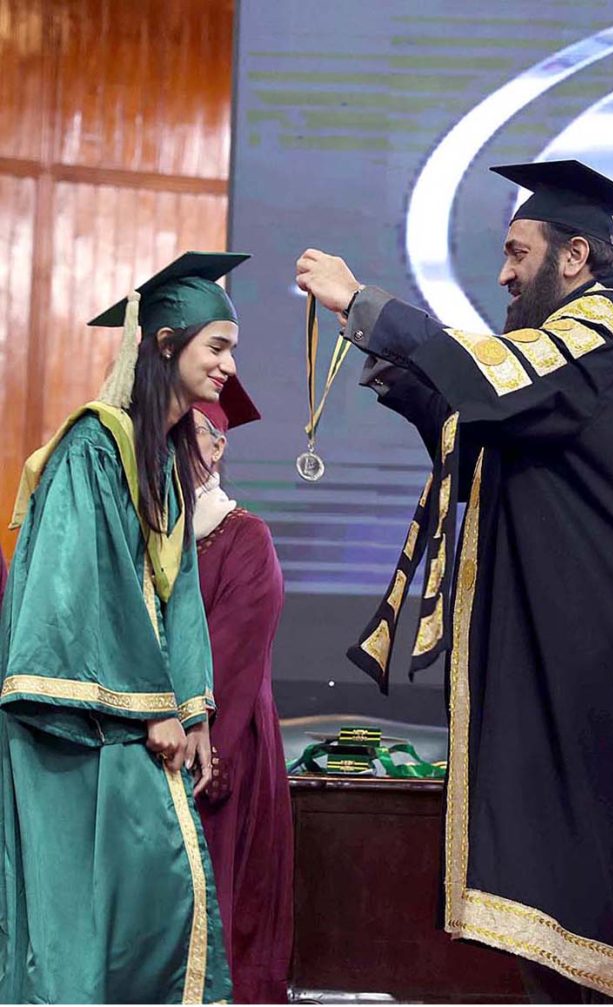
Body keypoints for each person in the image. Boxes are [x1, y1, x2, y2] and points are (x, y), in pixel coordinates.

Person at [295, 160, 613, 1004]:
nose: (506, 273)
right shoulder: (589, 355)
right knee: (552, 908)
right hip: (579, 657)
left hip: (607, 659)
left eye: (518, 253)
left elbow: (492, 383)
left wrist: (363, 303)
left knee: (587, 908)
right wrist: (397, 370)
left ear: (576, 255)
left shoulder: (612, 325)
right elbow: (484, 420)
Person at [0, 251, 249, 1003]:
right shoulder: (90, 448)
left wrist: (194, 708)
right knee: (89, 920)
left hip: (134, 724)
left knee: (160, 907)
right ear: (166, 343)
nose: (230, 368)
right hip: (79, 729)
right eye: (218, 346)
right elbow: (82, 593)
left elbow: (178, 600)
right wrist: (154, 703)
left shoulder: (165, 464)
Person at [192, 375, 294, 1004]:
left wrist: (192, 744)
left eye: (189, 434)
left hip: (223, 747)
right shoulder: (148, 536)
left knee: (219, 905)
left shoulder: (244, 539)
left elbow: (228, 666)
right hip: (149, 743)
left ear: (217, 446)